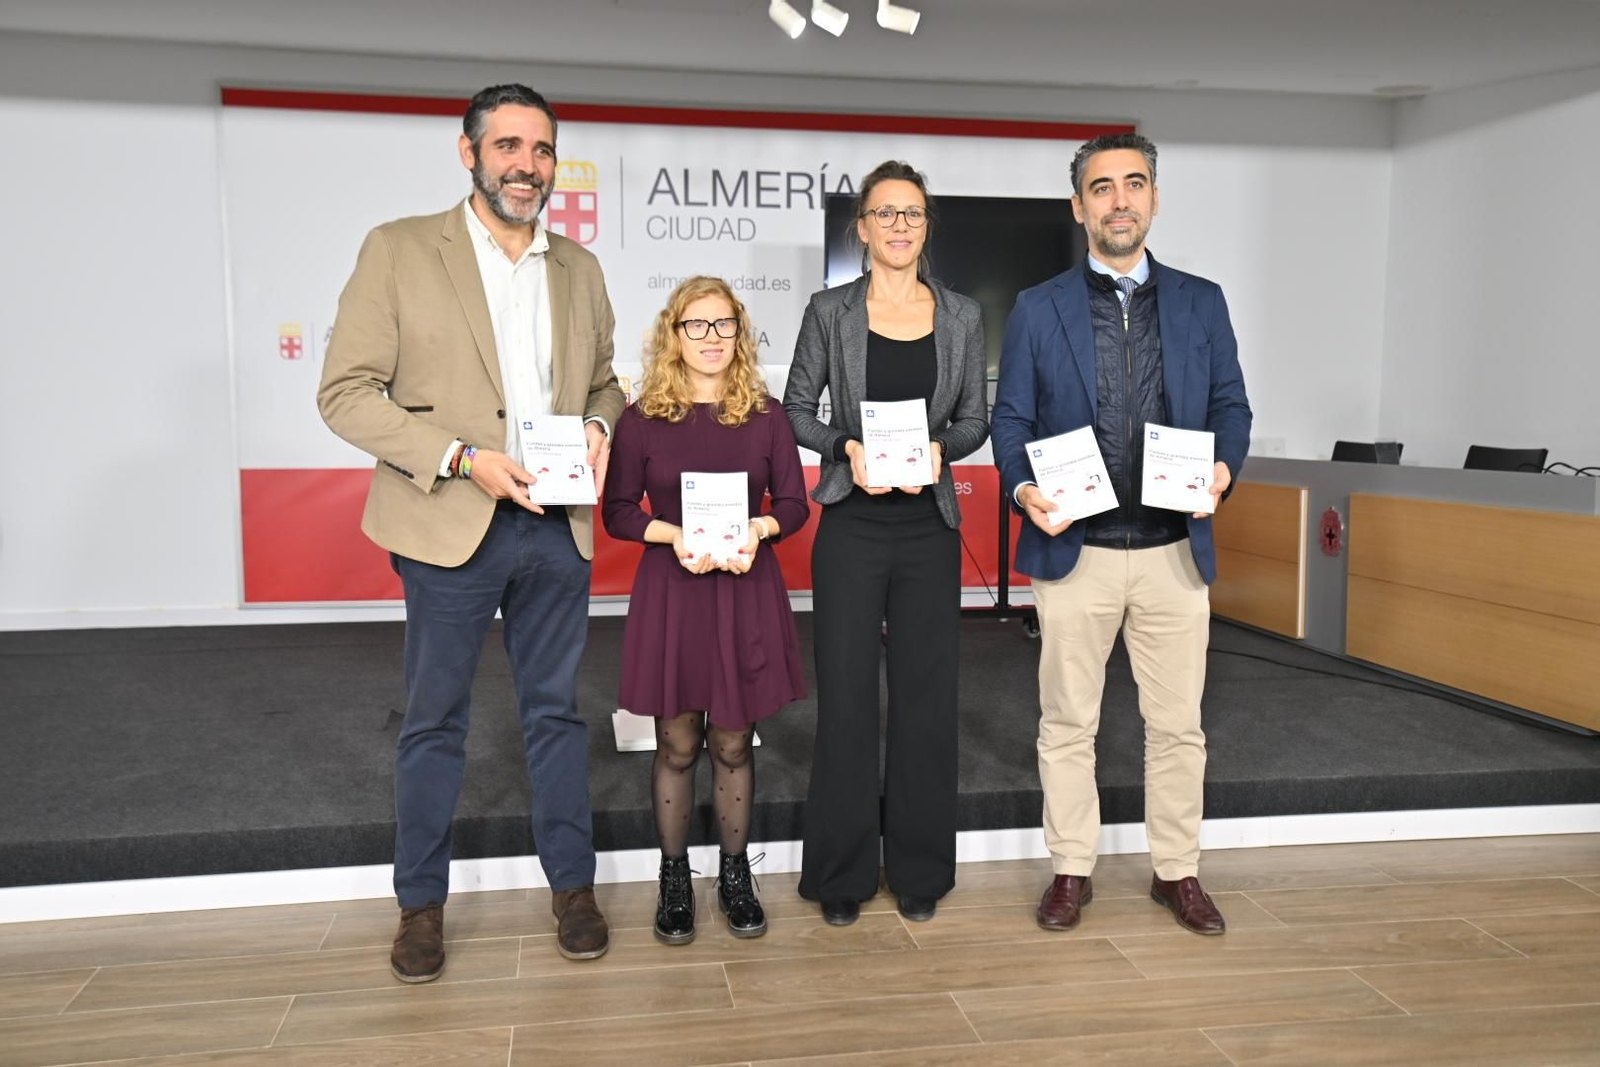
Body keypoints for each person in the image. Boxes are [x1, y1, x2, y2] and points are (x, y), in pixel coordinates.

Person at [318, 84, 625, 981]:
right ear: (470, 153)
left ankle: (573, 887)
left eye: (541, 150)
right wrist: (460, 456)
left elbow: (605, 381)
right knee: (435, 721)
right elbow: (343, 394)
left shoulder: (581, 267)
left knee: (557, 718)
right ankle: (420, 906)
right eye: (509, 147)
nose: (527, 165)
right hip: (451, 522)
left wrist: (602, 426)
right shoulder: (400, 250)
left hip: (555, 526)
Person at [991, 132, 1252, 936]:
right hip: (1078, 555)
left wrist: (1224, 472)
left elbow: (1230, 409)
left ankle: (1178, 871)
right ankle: (1072, 867)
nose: (1120, 200)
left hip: (1174, 552)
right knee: (1068, 721)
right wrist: (1025, 487)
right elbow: (1012, 419)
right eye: (1102, 188)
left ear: (1154, 199)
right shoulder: (1039, 307)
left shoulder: (1202, 301)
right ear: (1079, 207)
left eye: (1134, 184)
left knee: (1178, 726)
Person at [783, 161, 989, 926]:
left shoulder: (963, 315)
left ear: (925, 225)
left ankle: (920, 868)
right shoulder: (829, 310)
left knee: (927, 700)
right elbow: (796, 408)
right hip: (853, 524)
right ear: (861, 226)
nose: (900, 226)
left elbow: (975, 418)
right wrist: (845, 447)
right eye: (885, 213)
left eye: (913, 213)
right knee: (845, 698)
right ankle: (841, 874)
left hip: (929, 527)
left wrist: (944, 451)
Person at [603, 276, 809, 945]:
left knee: (732, 740)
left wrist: (757, 531)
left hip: (743, 585)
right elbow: (620, 511)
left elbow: (794, 506)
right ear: (674, 333)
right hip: (675, 589)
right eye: (698, 325)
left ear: (739, 334)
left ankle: (733, 874)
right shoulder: (642, 417)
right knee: (677, 741)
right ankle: (672, 876)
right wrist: (675, 535)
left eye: (724, 325)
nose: (712, 338)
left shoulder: (766, 413)